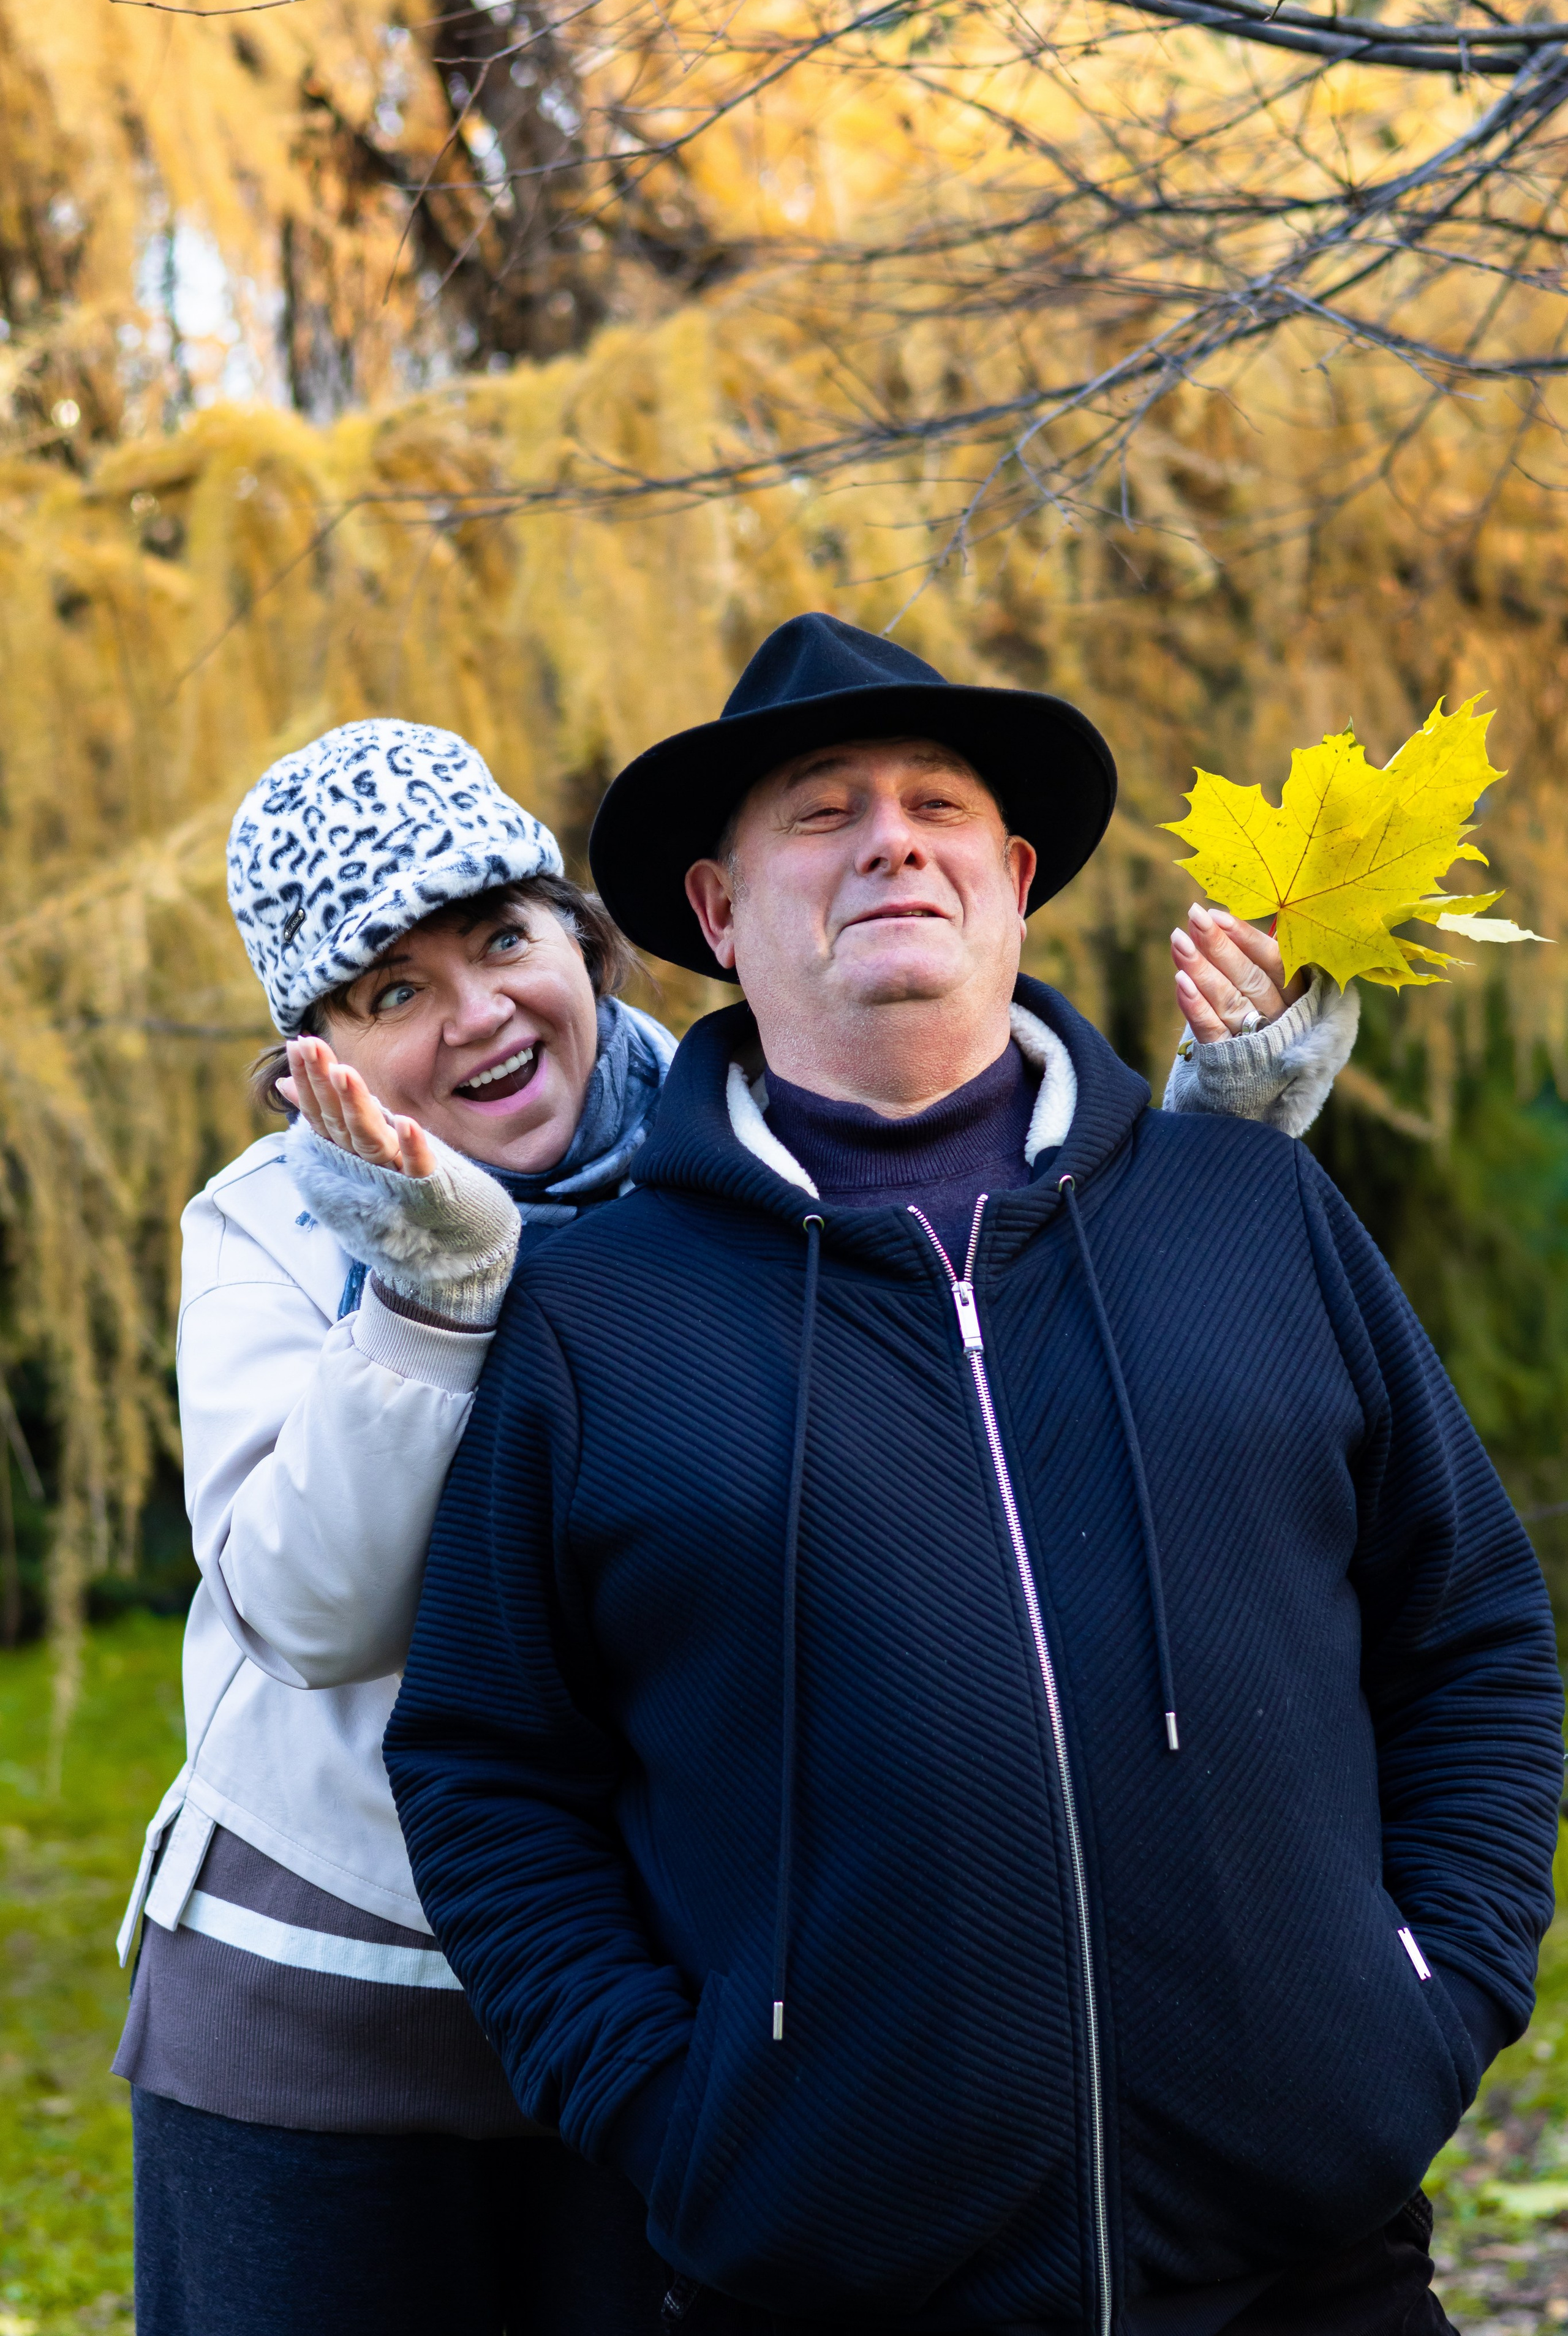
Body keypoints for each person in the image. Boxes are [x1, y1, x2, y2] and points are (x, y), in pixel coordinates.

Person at [383, 614, 1565, 2336]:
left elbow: (1467, 1628)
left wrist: (1430, 1994)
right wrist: (680, 2110)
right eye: (822, 809)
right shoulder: (599, 1315)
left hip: (1315, 2275)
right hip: (830, 2283)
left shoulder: (1250, 1214)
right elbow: (491, 1767)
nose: (892, 838)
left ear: (1012, 878)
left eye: (938, 801)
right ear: (718, 912)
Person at [112, 720, 679, 2336]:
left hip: (650, 1992)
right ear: (319, 1062)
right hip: (330, 2011)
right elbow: (312, 1607)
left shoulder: (728, 1160)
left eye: (500, 934)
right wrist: (433, 1301)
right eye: (393, 991)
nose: (479, 1012)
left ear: (584, 935)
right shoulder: (270, 1230)